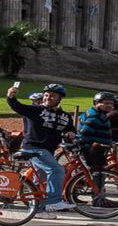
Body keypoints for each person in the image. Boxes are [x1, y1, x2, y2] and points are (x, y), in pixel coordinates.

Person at [6, 83, 76, 216]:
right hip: (34, 148)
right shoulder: (36, 110)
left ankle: (38, 209)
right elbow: (18, 107)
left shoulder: (65, 116)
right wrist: (11, 97)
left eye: (52, 96)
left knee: (40, 181)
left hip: (47, 151)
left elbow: (70, 129)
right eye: (46, 95)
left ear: (60, 98)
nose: (48, 98)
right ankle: (53, 201)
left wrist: (71, 133)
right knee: (57, 170)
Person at [77, 92, 117, 208]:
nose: (109, 106)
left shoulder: (98, 114)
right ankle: (98, 200)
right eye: (106, 103)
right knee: (98, 176)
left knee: (94, 174)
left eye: (111, 104)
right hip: (92, 151)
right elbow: (84, 134)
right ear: (96, 103)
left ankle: (99, 198)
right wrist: (92, 145)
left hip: (96, 150)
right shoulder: (95, 117)